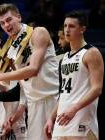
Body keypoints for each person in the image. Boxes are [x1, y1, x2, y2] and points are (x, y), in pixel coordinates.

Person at [0, 3, 59, 140]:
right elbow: (22, 85)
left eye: (9, 20)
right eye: (2, 23)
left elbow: (33, 70)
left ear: (19, 17)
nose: (6, 25)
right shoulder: (12, 50)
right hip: (33, 104)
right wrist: (13, 116)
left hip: (52, 99)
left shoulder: (38, 32)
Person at [45, 10, 104, 140]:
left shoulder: (91, 53)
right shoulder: (65, 57)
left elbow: (97, 88)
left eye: (72, 26)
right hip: (62, 120)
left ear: (82, 29)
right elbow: (64, 93)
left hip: (82, 121)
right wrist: (51, 117)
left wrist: (74, 108)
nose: (67, 30)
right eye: (65, 26)